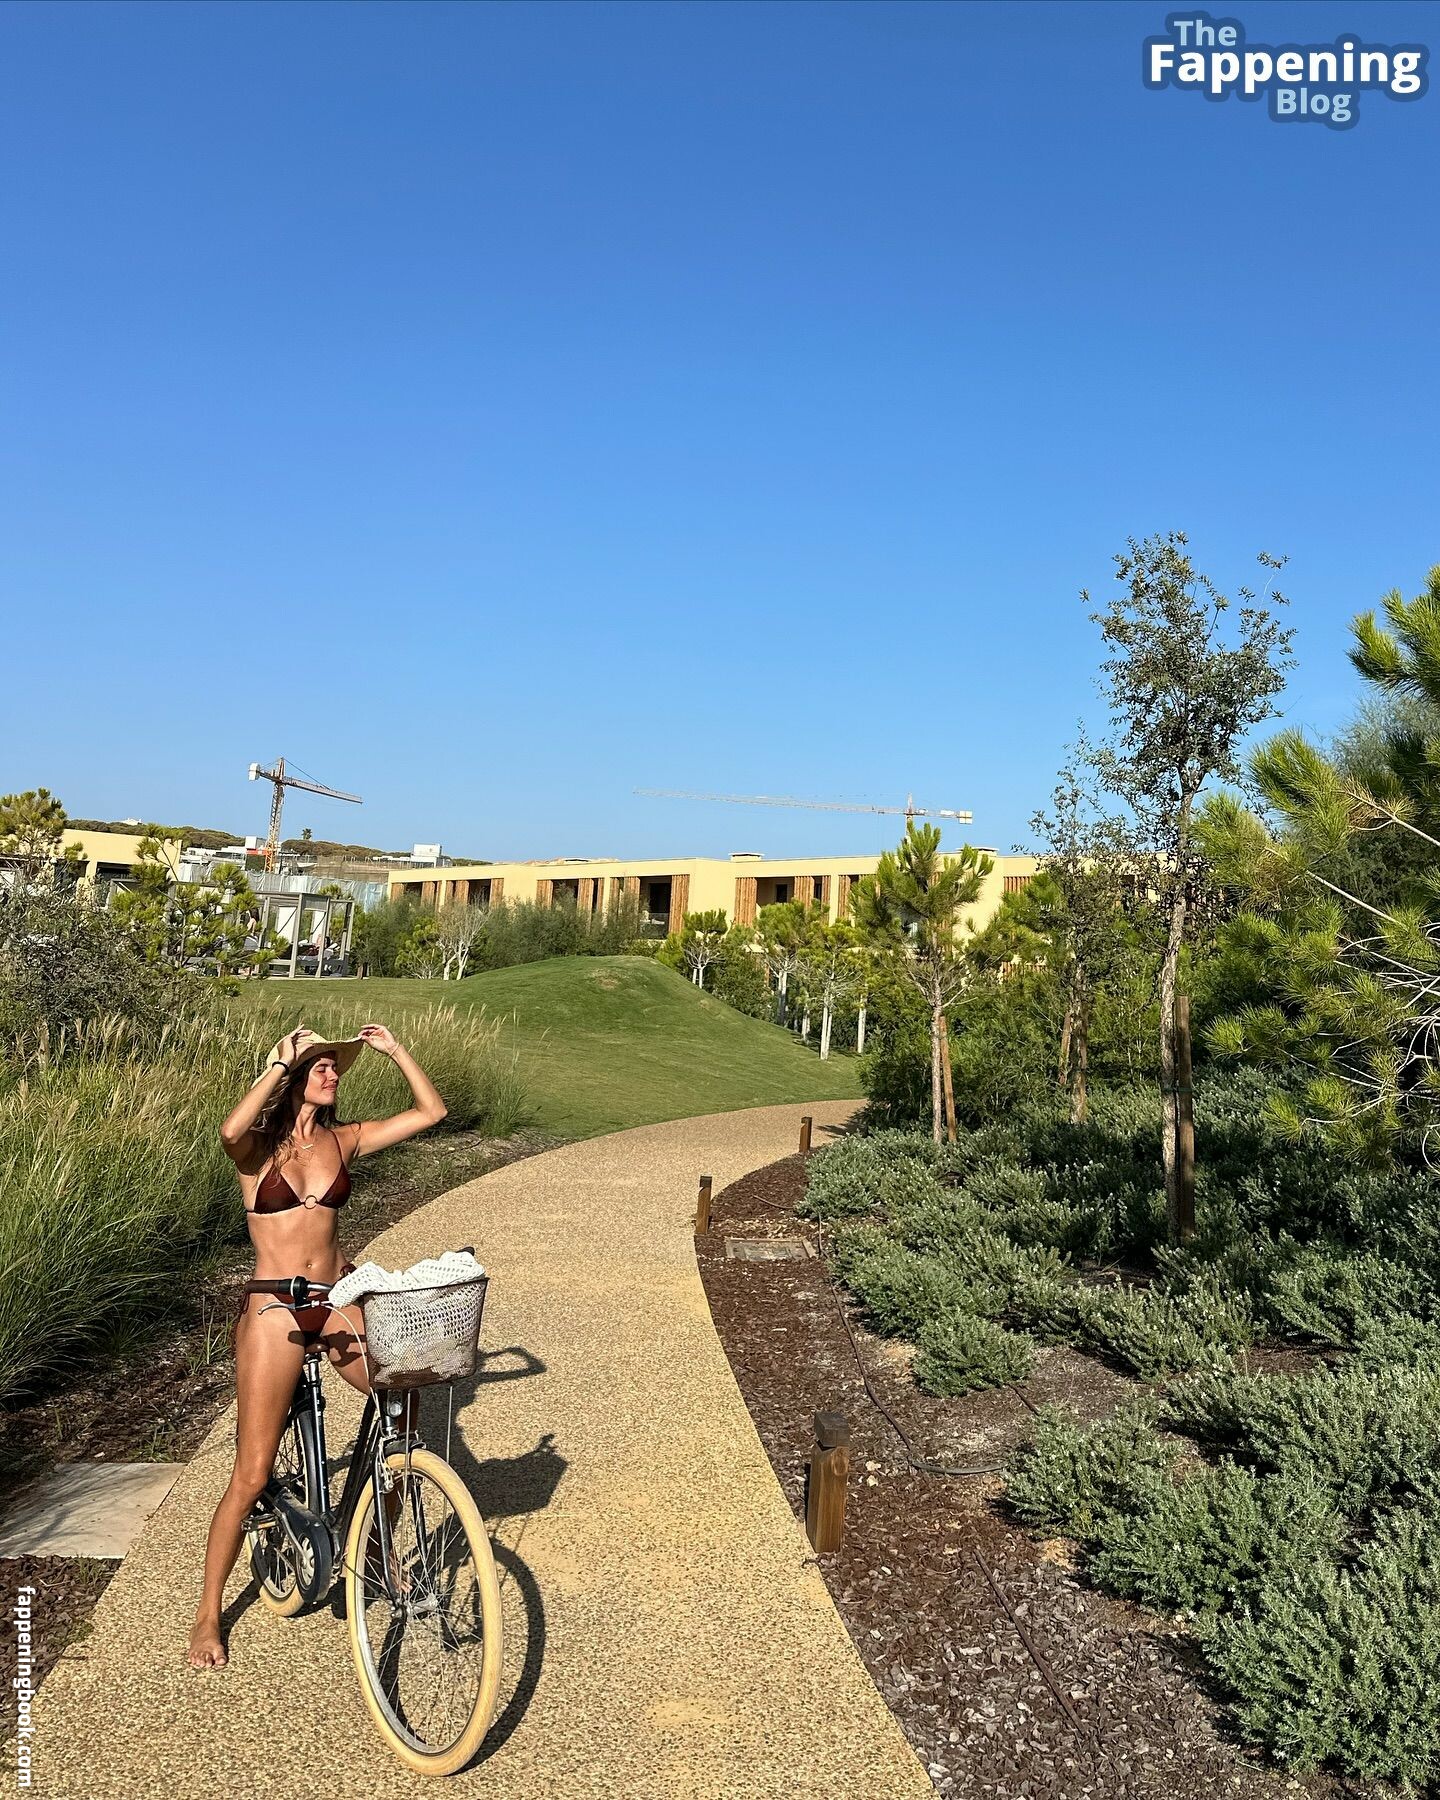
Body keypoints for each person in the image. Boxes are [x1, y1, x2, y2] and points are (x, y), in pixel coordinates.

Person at [187, 1021, 447, 1670]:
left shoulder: (343, 1139)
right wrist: (280, 1062)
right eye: (321, 1066)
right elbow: (228, 1130)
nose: (332, 1074)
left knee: (403, 1404)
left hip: (334, 1299)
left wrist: (394, 1051)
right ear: (295, 1078)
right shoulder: (258, 1149)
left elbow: (431, 1112)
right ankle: (208, 1613)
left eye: (335, 1066)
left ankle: (376, 1549)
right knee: (252, 1474)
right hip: (274, 1307)